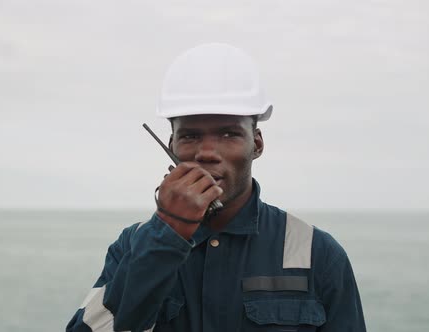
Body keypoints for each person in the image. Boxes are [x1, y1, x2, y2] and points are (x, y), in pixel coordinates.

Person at [66, 43, 366, 332]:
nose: (207, 152)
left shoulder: (317, 252)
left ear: (257, 143)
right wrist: (167, 234)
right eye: (191, 136)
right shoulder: (133, 245)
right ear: (172, 146)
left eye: (228, 134)